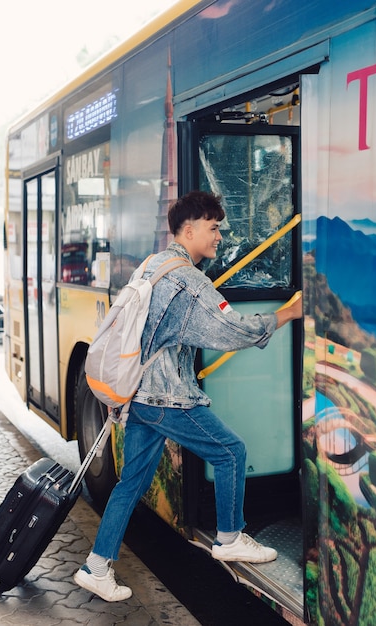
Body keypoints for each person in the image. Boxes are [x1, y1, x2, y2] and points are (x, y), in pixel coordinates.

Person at [74, 190, 303, 602]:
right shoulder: (188, 281)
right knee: (230, 451)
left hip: (137, 394)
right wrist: (288, 312)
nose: (219, 236)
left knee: (132, 482)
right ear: (190, 229)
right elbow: (230, 331)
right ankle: (230, 537)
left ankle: (95, 566)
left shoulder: (154, 264)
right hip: (164, 398)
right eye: (214, 228)